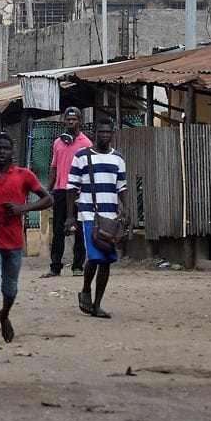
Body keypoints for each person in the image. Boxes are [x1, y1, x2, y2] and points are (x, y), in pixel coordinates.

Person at [0, 134, 52, 358]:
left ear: (12, 151)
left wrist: (22, 208)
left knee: (10, 289)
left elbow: (48, 199)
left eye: (6, 148)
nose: (2, 152)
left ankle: (4, 315)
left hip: (14, 242)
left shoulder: (24, 175)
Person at [67, 119, 128, 319]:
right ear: (95, 133)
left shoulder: (118, 158)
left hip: (110, 216)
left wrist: (126, 208)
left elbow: (122, 187)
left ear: (112, 134)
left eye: (107, 132)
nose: (104, 135)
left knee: (107, 261)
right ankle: (85, 289)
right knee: (94, 256)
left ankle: (97, 304)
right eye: (101, 132)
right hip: (88, 215)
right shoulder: (81, 156)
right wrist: (70, 217)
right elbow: (71, 187)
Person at [45, 106, 91, 277]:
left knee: (78, 230)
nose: (71, 122)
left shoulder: (86, 143)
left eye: (74, 119)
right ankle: (55, 266)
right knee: (58, 230)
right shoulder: (58, 143)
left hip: (78, 193)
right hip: (60, 192)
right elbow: (53, 168)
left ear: (79, 121)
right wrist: (47, 191)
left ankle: (78, 266)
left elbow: (88, 170)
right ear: (64, 121)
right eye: (68, 119)